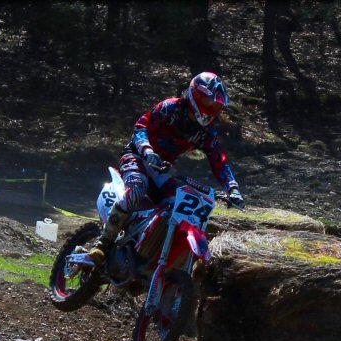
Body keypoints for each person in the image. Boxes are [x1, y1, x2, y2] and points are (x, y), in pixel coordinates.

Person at [87, 71, 245, 270]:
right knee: (137, 189)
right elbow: (141, 127)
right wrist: (147, 149)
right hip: (137, 156)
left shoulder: (206, 132)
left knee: (174, 204)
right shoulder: (170, 108)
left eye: (216, 106)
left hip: (162, 167)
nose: (211, 109)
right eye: (209, 102)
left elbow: (218, 159)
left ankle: (149, 254)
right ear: (196, 95)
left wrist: (233, 187)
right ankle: (103, 243)